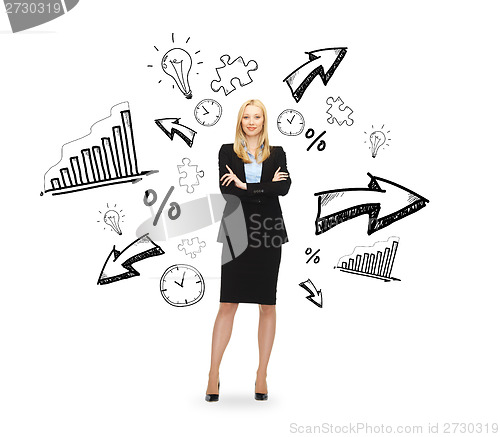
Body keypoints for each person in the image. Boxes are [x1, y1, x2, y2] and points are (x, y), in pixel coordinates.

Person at [205, 99, 291, 402]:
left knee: (267, 304)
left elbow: (284, 189)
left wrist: (246, 186)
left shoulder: (277, 153)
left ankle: (261, 374)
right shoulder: (227, 151)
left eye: (257, 117)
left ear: (263, 120)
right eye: (246, 116)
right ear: (240, 120)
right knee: (228, 302)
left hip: (268, 232)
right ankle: (213, 374)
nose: (251, 121)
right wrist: (258, 186)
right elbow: (226, 190)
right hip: (236, 230)